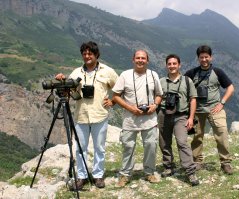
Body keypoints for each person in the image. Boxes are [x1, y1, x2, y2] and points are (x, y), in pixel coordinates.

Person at [55, 41, 118, 189]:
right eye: (84, 53)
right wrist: (62, 81)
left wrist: (113, 101)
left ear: (96, 54)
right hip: (81, 116)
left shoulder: (107, 71)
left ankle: (98, 175)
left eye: (90, 53)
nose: (87, 56)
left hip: (100, 115)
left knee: (99, 148)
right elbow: (68, 92)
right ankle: (82, 176)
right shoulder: (76, 73)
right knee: (80, 148)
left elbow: (120, 87)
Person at [112, 49, 163, 187]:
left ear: (147, 61)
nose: (140, 60)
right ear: (133, 60)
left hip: (150, 119)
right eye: (138, 58)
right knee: (128, 147)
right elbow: (116, 96)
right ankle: (125, 175)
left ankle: (149, 172)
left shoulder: (153, 75)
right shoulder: (125, 75)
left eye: (143, 58)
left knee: (151, 146)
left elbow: (159, 94)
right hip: (130, 119)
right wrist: (130, 108)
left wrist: (155, 105)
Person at [184, 45, 235, 175]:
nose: (204, 59)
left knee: (222, 133)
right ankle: (197, 161)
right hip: (197, 110)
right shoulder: (191, 73)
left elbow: (230, 88)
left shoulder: (218, 72)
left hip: (215, 109)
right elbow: (183, 88)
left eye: (206, 57)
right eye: (202, 57)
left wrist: (222, 103)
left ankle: (226, 162)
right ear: (198, 58)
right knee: (197, 137)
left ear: (211, 57)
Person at [158, 54, 199, 186]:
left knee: (182, 142)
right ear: (166, 66)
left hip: (181, 116)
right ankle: (168, 167)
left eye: (174, 63)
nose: (172, 66)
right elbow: (157, 99)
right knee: (164, 142)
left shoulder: (187, 81)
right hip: (164, 114)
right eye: (169, 64)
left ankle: (190, 172)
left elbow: (193, 99)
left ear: (179, 65)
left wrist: (191, 118)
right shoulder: (161, 81)